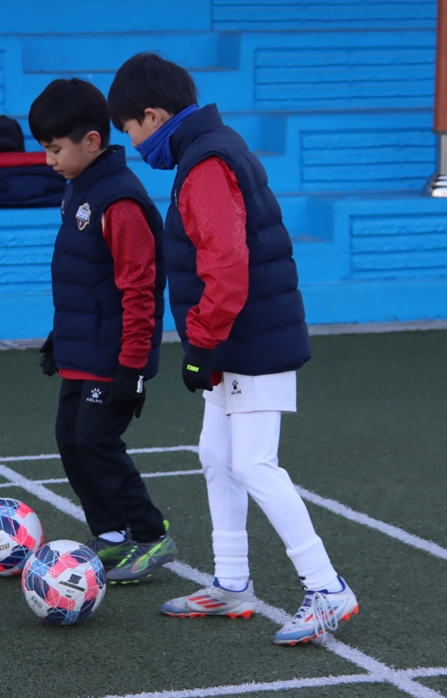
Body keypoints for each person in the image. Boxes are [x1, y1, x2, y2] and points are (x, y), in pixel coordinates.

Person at [107, 53, 358, 645]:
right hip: (237, 338)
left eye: (131, 129)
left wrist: (200, 345)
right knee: (216, 456)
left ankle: (327, 588)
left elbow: (226, 267)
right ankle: (231, 583)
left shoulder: (206, 164)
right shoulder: (207, 150)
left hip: (250, 339)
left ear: (152, 116)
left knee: (252, 464)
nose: (135, 144)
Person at [29, 77, 177, 584]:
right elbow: (85, 278)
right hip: (84, 349)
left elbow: (139, 291)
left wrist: (131, 369)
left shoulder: (120, 201)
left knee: (96, 442)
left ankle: (151, 534)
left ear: (92, 142)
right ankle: (112, 535)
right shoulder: (79, 188)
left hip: (114, 357)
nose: (49, 160)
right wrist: (60, 337)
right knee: (71, 441)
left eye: (55, 149)